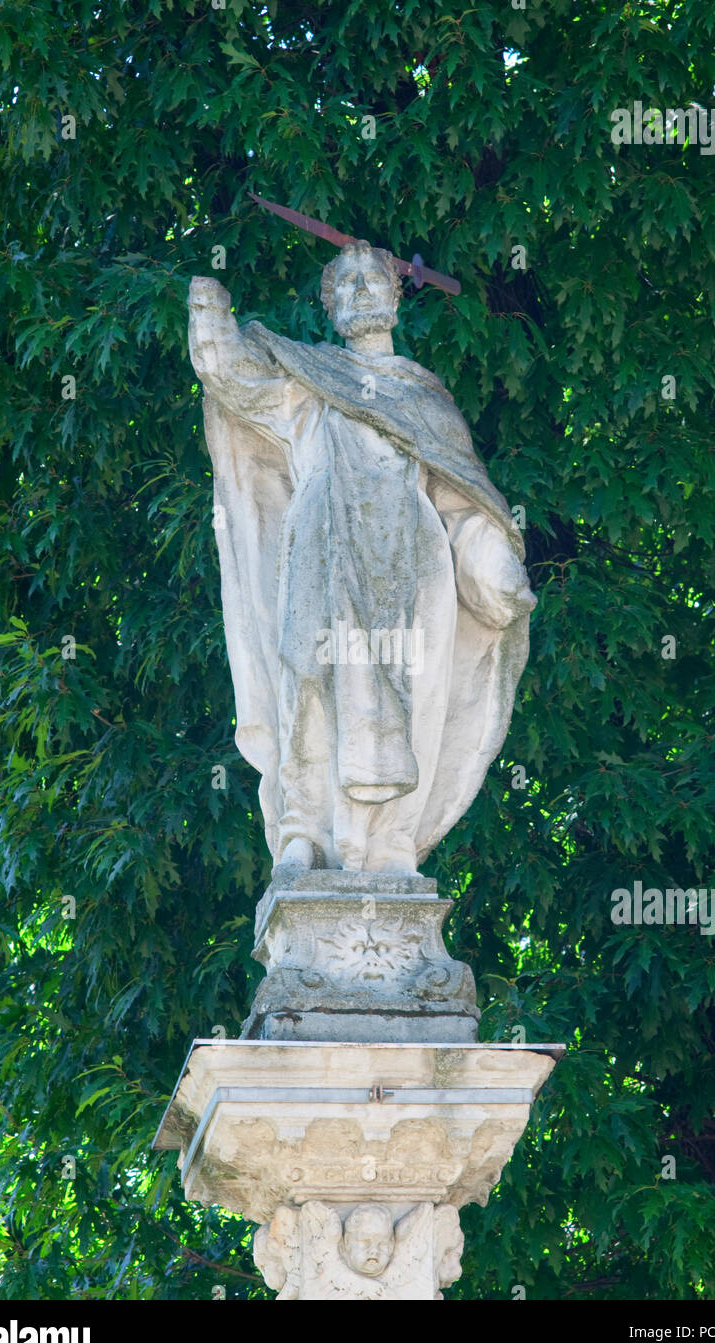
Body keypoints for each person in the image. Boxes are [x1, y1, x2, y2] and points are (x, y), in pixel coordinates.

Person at [188, 240, 535, 874]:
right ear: (330, 307)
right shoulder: (311, 384)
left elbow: (461, 506)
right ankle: (304, 837)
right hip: (323, 550)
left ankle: (391, 844)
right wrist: (209, 314)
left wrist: (493, 567)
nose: (360, 291)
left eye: (372, 279)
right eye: (344, 284)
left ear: (397, 297)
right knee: (310, 684)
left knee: (413, 696)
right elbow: (233, 376)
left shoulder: (424, 399)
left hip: (412, 564)